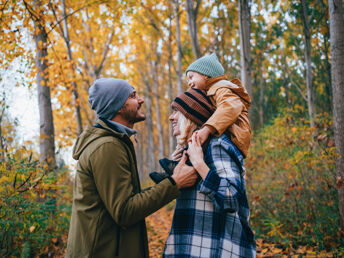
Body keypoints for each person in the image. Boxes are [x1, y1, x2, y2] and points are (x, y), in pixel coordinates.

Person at [66, 78, 198, 258]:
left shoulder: (114, 142)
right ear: (119, 106)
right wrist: (175, 183)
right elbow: (124, 211)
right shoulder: (107, 147)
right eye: (133, 96)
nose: (141, 100)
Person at [163, 88, 256, 257]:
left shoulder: (217, 145)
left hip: (214, 251)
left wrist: (200, 164)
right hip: (192, 248)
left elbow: (231, 198)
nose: (171, 117)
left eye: (176, 111)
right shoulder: (196, 148)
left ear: (192, 115)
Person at [150, 53, 251, 183]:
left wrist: (206, 129)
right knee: (195, 141)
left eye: (191, 77)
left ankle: (177, 166)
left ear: (206, 74)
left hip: (234, 134)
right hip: (223, 129)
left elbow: (230, 107)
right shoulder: (211, 91)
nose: (190, 83)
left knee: (202, 138)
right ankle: (176, 166)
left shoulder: (222, 88)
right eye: (188, 80)